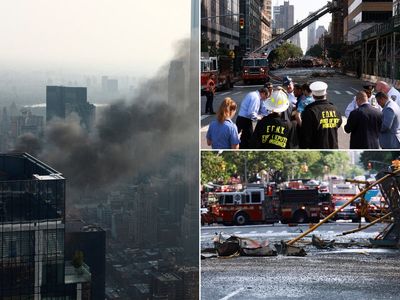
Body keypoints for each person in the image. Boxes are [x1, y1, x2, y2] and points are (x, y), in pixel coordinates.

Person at [300, 81, 343, 149]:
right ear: (326, 93)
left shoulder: (309, 111)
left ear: (313, 96)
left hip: (316, 147)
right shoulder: (335, 109)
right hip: (333, 147)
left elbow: (306, 134)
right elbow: (339, 124)